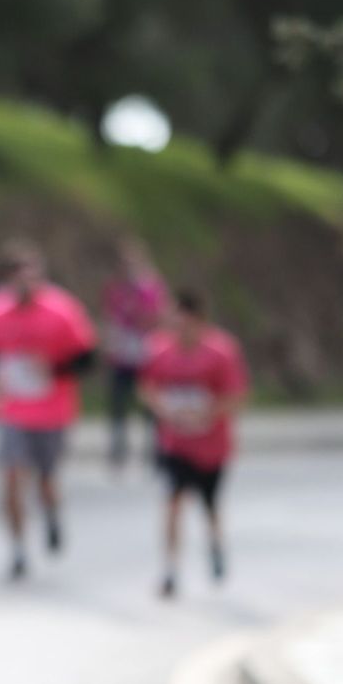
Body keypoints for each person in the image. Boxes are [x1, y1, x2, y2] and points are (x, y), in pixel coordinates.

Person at [0, 240, 96, 581]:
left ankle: (52, 514)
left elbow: (86, 358)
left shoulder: (63, 309)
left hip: (52, 410)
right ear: (7, 279)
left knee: (46, 480)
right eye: (18, 277)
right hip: (11, 409)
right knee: (11, 477)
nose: (25, 283)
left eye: (32, 276)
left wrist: (52, 369)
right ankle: (18, 550)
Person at [139, 289, 248, 599]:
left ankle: (215, 544)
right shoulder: (159, 350)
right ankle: (170, 570)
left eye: (186, 324)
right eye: (176, 323)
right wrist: (165, 409)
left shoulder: (222, 352)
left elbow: (237, 396)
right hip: (175, 444)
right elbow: (147, 387)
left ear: (200, 322)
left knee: (209, 506)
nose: (180, 330)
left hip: (212, 446)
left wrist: (206, 413)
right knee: (172, 502)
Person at [100, 236, 168, 470]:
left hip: (145, 350)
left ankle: (155, 447)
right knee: (118, 399)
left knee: (149, 400)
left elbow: (158, 316)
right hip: (122, 351)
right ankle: (119, 445)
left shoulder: (150, 287)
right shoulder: (115, 289)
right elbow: (110, 316)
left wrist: (142, 318)